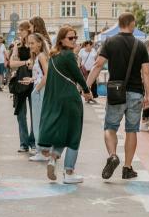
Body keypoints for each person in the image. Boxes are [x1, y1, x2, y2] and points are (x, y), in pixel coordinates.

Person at [87, 12, 149, 180]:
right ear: (132, 24)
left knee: (110, 127)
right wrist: (148, 94)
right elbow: (146, 72)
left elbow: (98, 65)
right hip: (136, 92)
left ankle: (113, 155)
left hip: (115, 91)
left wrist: (86, 87)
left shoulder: (110, 42)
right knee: (131, 130)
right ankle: (127, 168)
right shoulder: (140, 45)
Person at [38, 26, 93, 183]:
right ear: (61, 39)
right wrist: (87, 91)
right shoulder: (69, 56)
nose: (74, 40)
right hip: (71, 99)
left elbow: (51, 81)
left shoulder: (54, 56)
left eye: (75, 37)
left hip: (58, 100)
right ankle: (69, 172)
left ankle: (53, 158)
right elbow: (78, 75)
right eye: (70, 38)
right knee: (74, 135)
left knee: (64, 133)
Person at [10, 21, 36, 153]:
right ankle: (23, 143)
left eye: (22, 29)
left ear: (28, 30)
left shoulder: (34, 43)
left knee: (34, 112)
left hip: (33, 80)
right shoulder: (17, 45)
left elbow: (37, 61)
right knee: (21, 113)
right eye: (19, 29)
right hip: (20, 80)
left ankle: (33, 141)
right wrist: (25, 62)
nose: (19, 32)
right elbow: (12, 63)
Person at [26, 33, 50, 162]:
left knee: (38, 121)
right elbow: (41, 75)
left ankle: (42, 151)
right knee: (40, 120)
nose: (30, 46)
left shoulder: (40, 56)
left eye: (32, 43)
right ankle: (43, 150)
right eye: (29, 43)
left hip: (40, 91)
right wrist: (32, 80)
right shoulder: (40, 56)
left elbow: (47, 74)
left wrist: (37, 89)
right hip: (40, 89)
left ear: (39, 43)